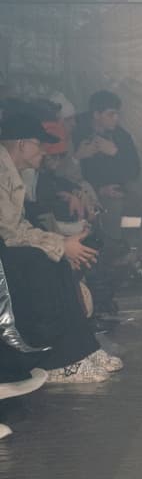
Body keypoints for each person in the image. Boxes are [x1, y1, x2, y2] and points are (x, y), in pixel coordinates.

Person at [0, 113, 120, 382]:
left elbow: (18, 226)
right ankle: (56, 361)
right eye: (39, 144)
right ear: (21, 144)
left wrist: (59, 247)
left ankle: (82, 349)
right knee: (39, 262)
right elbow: (9, 232)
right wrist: (59, 245)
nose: (44, 151)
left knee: (56, 261)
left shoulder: (12, 172)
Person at [73, 90, 141, 252]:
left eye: (118, 114)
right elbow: (68, 175)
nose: (116, 118)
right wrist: (99, 188)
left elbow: (135, 170)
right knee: (113, 208)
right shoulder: (77, 133)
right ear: (96, 114)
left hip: (118, 188)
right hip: (87, 191)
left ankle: (141, 255)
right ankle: (113, 255)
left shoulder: (121, 135)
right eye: (111, 114)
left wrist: (116, 153)